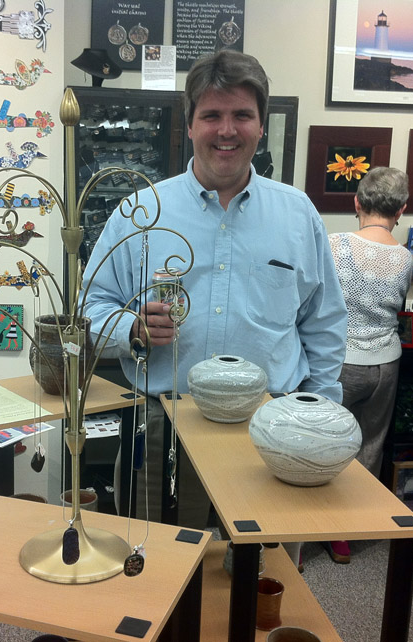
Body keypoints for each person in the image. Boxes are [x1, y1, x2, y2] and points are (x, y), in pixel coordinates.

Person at [81, 49, 347, 553]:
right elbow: (89, 307)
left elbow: (324, 323)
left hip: (274, 429)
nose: (227, 130)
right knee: (157, 569)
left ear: (261, 125)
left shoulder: (299, 216)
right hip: (162, 428)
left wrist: (320, 417)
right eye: (212, 115)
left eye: (242, 115)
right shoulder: (139, 211)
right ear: (189, 124)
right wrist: (131, 327)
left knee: (263, 575)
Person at [326, 167, 413, 564]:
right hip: (387, 362)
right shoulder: (405, 257)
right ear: (401, 209)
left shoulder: (335, 244)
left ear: (357, 202)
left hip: (341, 361)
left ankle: (306, 531)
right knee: (369, 446)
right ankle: (344, 534)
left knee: (323, 442)